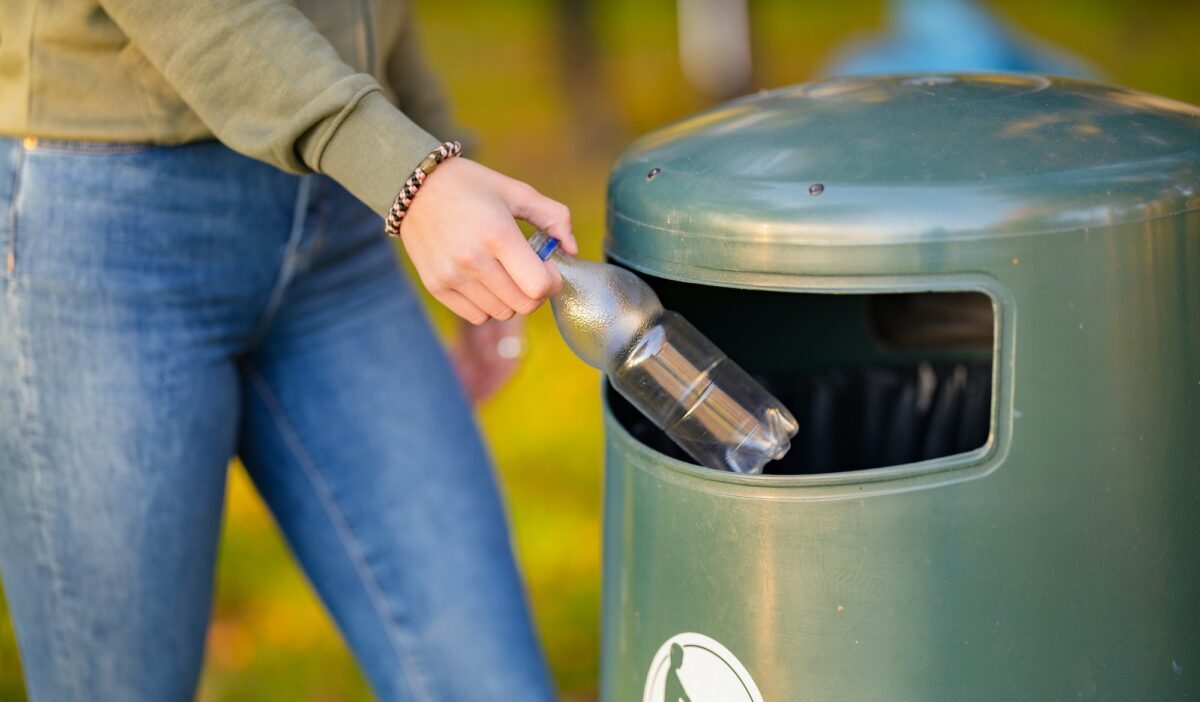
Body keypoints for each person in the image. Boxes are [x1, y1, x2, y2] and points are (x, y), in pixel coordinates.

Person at [0, 1, 574, 700]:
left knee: (487, 682)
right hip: (109, 233)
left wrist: (447, 168)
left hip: (340, 214)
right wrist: (409, 175)